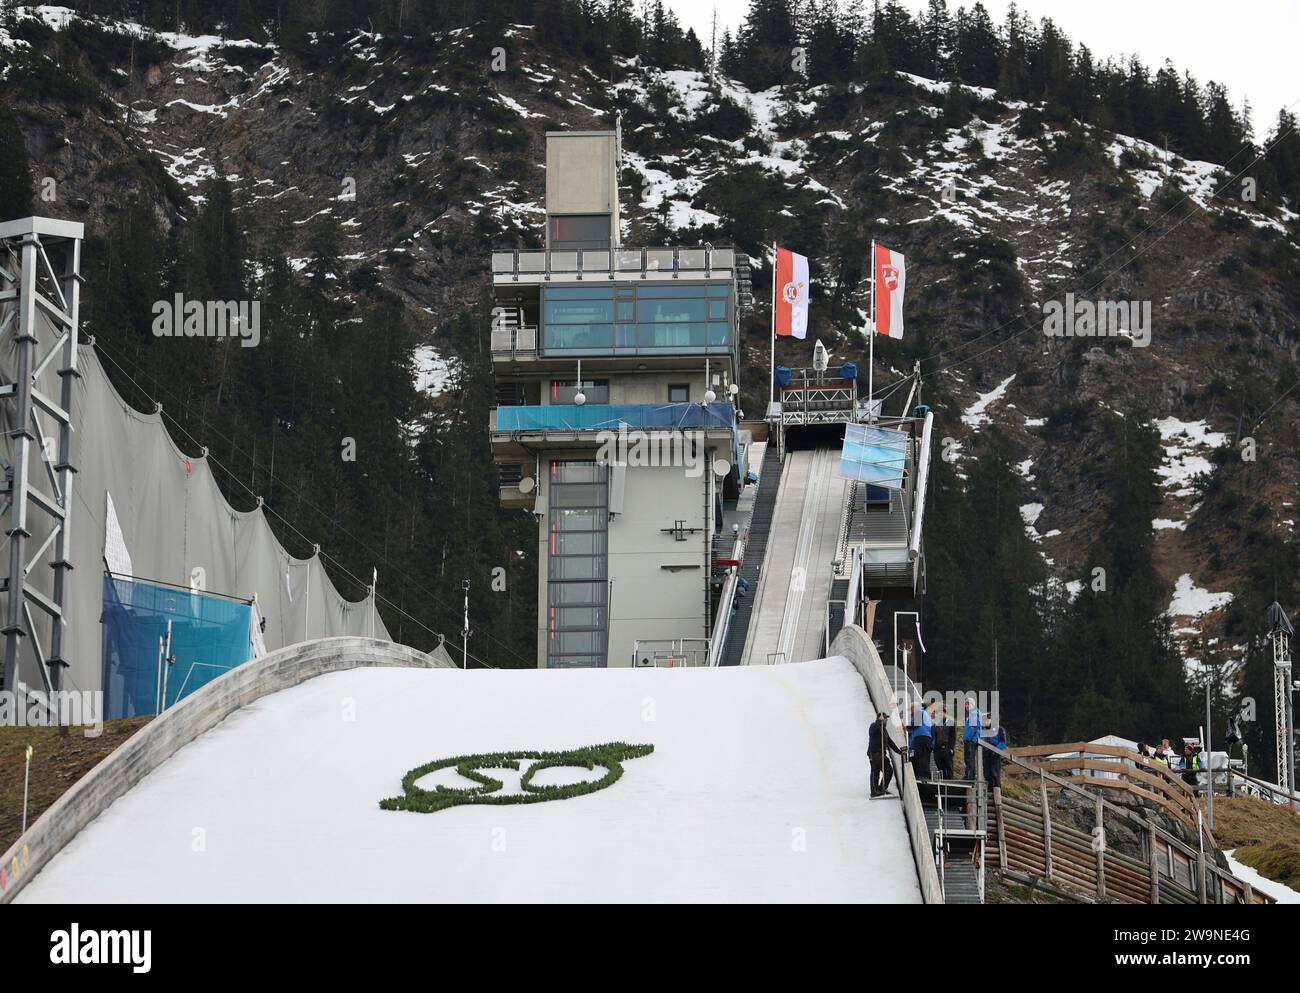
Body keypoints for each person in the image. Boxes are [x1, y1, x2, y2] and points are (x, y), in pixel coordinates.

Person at [868, 711, 905, 797]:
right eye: (885, 719)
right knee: (875, 771)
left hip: (881, 754)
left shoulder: (884, 730)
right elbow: (873, 731)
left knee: (888, 770)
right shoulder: (874, 726)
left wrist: (899, 752)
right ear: (881, 719)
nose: (886, 721)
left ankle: (881, 788)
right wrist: (878, 722)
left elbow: (890, 742)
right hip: (874, 753)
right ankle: (874, 791)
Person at [909, 701, 933, 781]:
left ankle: (922, 775)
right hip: (927, 737)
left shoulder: (919, 711)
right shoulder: (925, 714)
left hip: (921, 737)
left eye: (911, 709)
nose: (911, 711)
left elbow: (916, 724)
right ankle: (927, 775)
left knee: (920, 756)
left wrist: (907, 727)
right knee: (925, 757)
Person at [932, 705, 955, 779]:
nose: (941, 714)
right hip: (937, 749)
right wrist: (934, 749)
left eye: (942, 712)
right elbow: (934, 737)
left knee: (948, 766)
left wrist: (951, 748)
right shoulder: (935, 724)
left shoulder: (950, 722)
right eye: (939, 712)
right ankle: (942, 782)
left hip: (947, 748)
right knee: (940, 767)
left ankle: (951, 782)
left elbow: (953, 736)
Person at [982, 723, 1007, 788]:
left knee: (995, 773)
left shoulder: (1000, 729)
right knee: (986, 773)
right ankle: (989, 790)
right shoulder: (983, 729)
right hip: (986, 753)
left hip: (995, 754)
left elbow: (1003, 742)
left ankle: (997, 791)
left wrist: (995, 750)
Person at [963, 698, 982, 780]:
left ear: (972, 705)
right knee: (968, 759)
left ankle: (970, 777)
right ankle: (968, 775)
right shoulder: (971, 714)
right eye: (965, 704)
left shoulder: (974, 713)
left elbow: (973, 728)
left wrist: (969, 738)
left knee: (969, 759)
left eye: (968, 704)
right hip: (969, 740)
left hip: (971, 740)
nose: (966, 706)